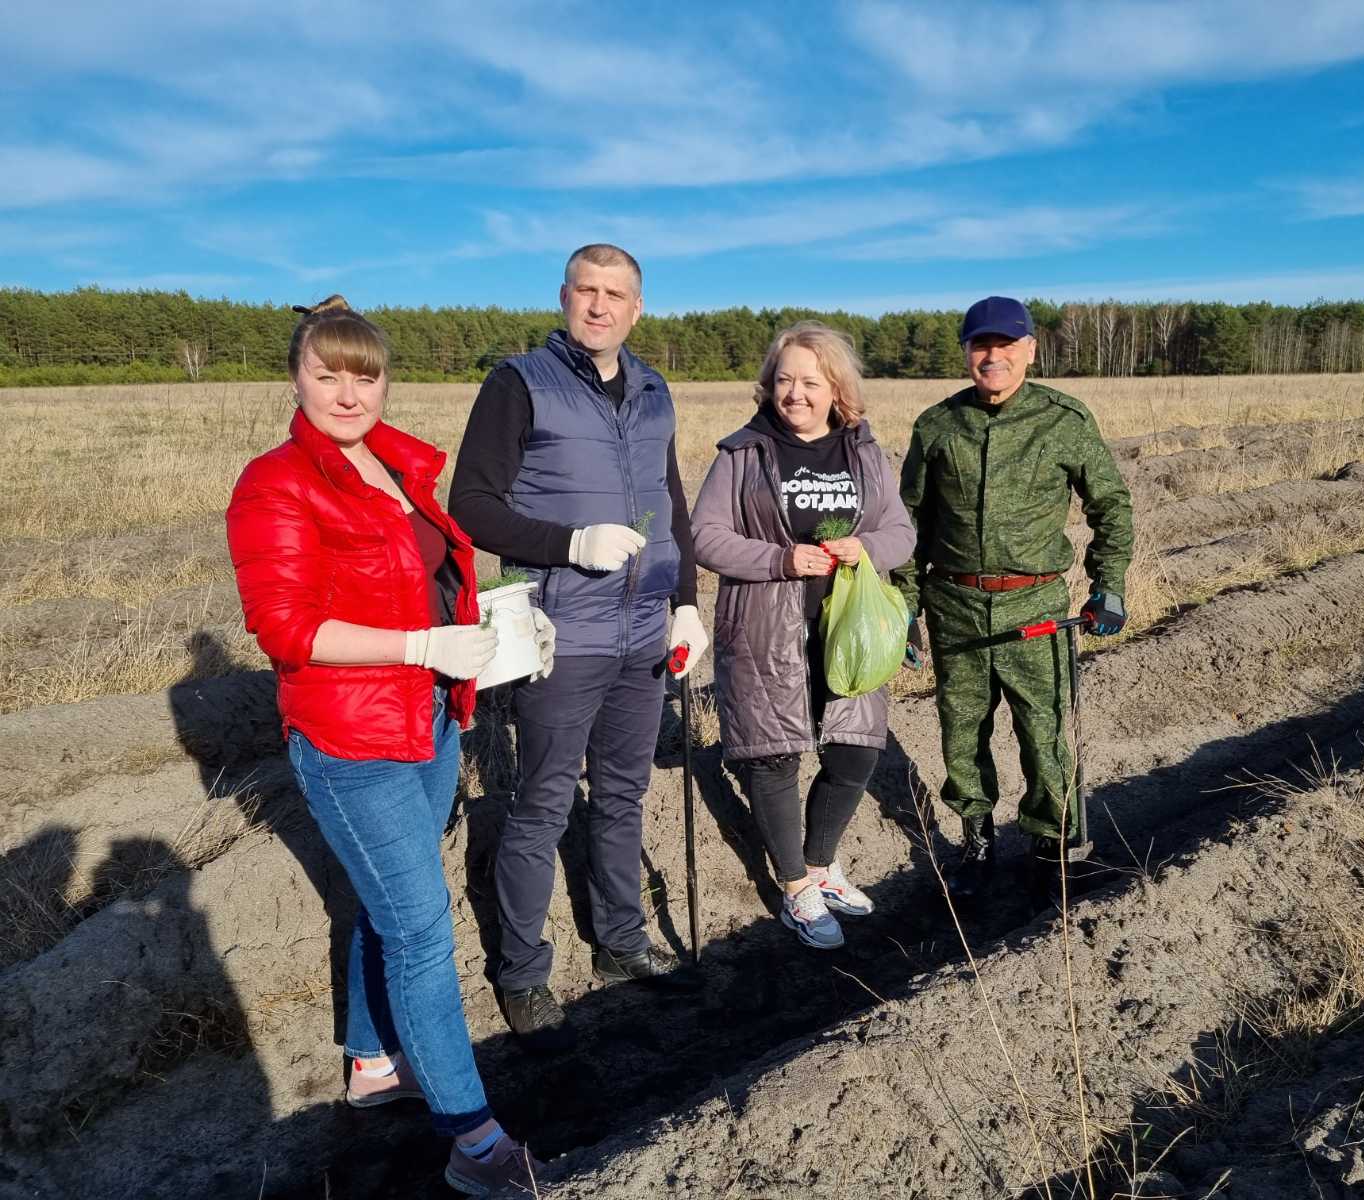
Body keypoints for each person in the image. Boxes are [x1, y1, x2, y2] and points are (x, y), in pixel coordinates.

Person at [226, 297, 546, 1196]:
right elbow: (283, 628)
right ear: (297, 377)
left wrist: (490, 633)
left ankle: (372, 1062)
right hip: (349, 737)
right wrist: (419, 648)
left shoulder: (400, 470)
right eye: (326, 374)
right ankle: (474, 1142)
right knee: (419, 930)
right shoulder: (276, 482)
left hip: (431, 723)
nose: (346, 391)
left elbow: (428, 585)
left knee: (383, 906)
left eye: (362, 374)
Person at [449, 244, 708, 1042]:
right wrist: (570, 544)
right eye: (586, 290)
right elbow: (471, 505)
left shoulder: (655, 391)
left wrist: (689, 603)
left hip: (642, 632)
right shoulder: (519, 384)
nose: (599, 305)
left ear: (637, 308)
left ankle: (621, 943)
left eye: (616, 294)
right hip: (566, 632)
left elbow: (671, 502)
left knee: (625, 796)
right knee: (543, 802)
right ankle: (523, 973)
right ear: (565, 297)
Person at [892, 296, 1134, 901]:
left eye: (1004, 345)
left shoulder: (1063, 419)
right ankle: (975, 840)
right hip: (956, 607)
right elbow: (907, 522)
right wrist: (904, 604)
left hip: (1037, 607)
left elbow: (1110, 505)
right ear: (967, 353)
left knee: (1044, 731)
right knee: (961, 731)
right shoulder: (937, 426)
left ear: (1029, 349)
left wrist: (1109, 585)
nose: (991, 356)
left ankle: (1054, 843)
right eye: (980, 345)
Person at [691, 322, 915, 948]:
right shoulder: (742, 453)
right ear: (769, 386)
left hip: (849, 627)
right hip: (765, 628)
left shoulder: (864, 452)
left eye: (811, 381)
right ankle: (794, 888)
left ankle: (822, 865)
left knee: (855, 750)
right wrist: (779, 560)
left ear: (836, 389)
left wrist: (864, 546)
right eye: (785, 379)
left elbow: (902, 532)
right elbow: (705, 535)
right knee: (773, 756)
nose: (796, 393)